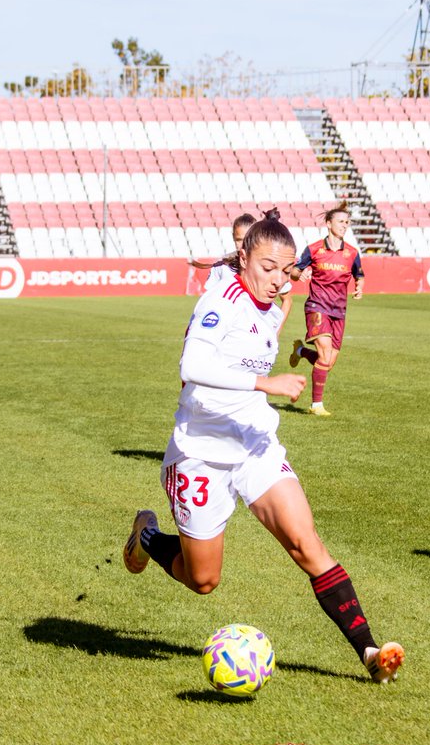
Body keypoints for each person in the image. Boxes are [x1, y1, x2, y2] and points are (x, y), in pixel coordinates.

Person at [123, 212, 404, 684]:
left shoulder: (275, 305)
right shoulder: (221, 298)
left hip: (255, 443)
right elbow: (191, 364)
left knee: (306, 545)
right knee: (203, 580)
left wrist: (297, 360)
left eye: (287, 269)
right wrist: (264, 382)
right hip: (202, 453)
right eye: (268, 267)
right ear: (244, 257)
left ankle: (370, 653)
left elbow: (273, 333)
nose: (278, 279)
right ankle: (147, 534)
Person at [288, 207, 363, 417]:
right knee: (325, 354)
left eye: (347, 222)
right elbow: (295, 271)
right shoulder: (313, 250)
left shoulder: (352, 253)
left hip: (339, 310)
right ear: (329, 224)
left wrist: (359, 287)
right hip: (317, 306)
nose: (344, 225)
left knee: (327, 363)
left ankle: (300, 351)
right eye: (340, 221)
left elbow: (359, 274)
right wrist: (298, 274)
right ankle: (316, 405)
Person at [190, 211, 292, 331]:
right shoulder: (222, 265)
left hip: (260, 331)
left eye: (247, 238)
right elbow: (209, 300)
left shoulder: (269, 264)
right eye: (239, 239)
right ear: (233, 236)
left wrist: (276, 331)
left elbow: (287, 300)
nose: (243, 244)